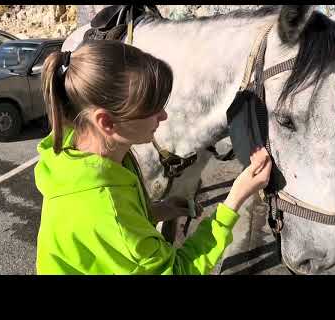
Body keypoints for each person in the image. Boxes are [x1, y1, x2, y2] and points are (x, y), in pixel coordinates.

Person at [35, 39, 272, 275]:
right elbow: (179, 269)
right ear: (106, 122)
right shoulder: (104, 207)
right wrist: (234, 200)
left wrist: (159, 210)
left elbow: (118, 228)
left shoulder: (83, 152)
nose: (164, 116)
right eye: (152, 108)